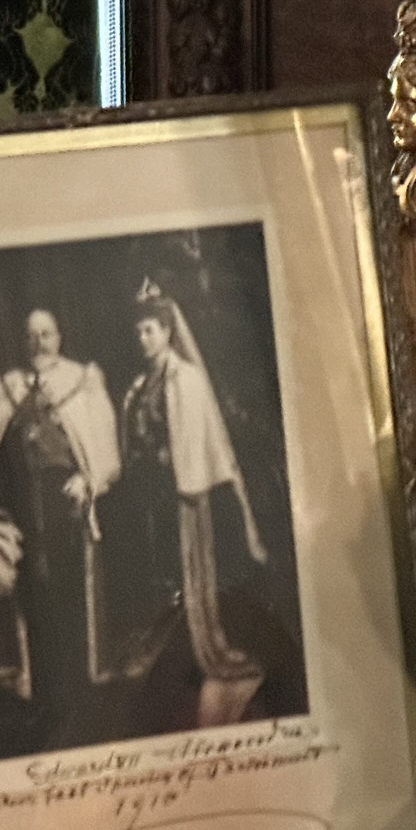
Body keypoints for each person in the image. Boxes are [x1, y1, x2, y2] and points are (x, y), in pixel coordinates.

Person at [121, 278, 271, 728]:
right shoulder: (143, 383)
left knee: (193, 570)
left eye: (151, 330)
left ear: (167, 331)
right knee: (164, 571)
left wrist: (174, 469)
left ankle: (207, 649)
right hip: (156, 493)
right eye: (140, 332)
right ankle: (171, 654)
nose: (144, 339)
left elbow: (188, 439)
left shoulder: (183, 378)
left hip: (185, 489)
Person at [0, 309, 122, 703]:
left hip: (66, 501)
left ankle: (78, 683)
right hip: (26, 503)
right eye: (31, 336)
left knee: (68, 588)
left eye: (46, 335)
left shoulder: (81, 381)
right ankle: (42, 684)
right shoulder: (11, 386)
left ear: (59, 337)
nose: (39, 344)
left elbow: (104, 450)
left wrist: (88, 480)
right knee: (33, 589)